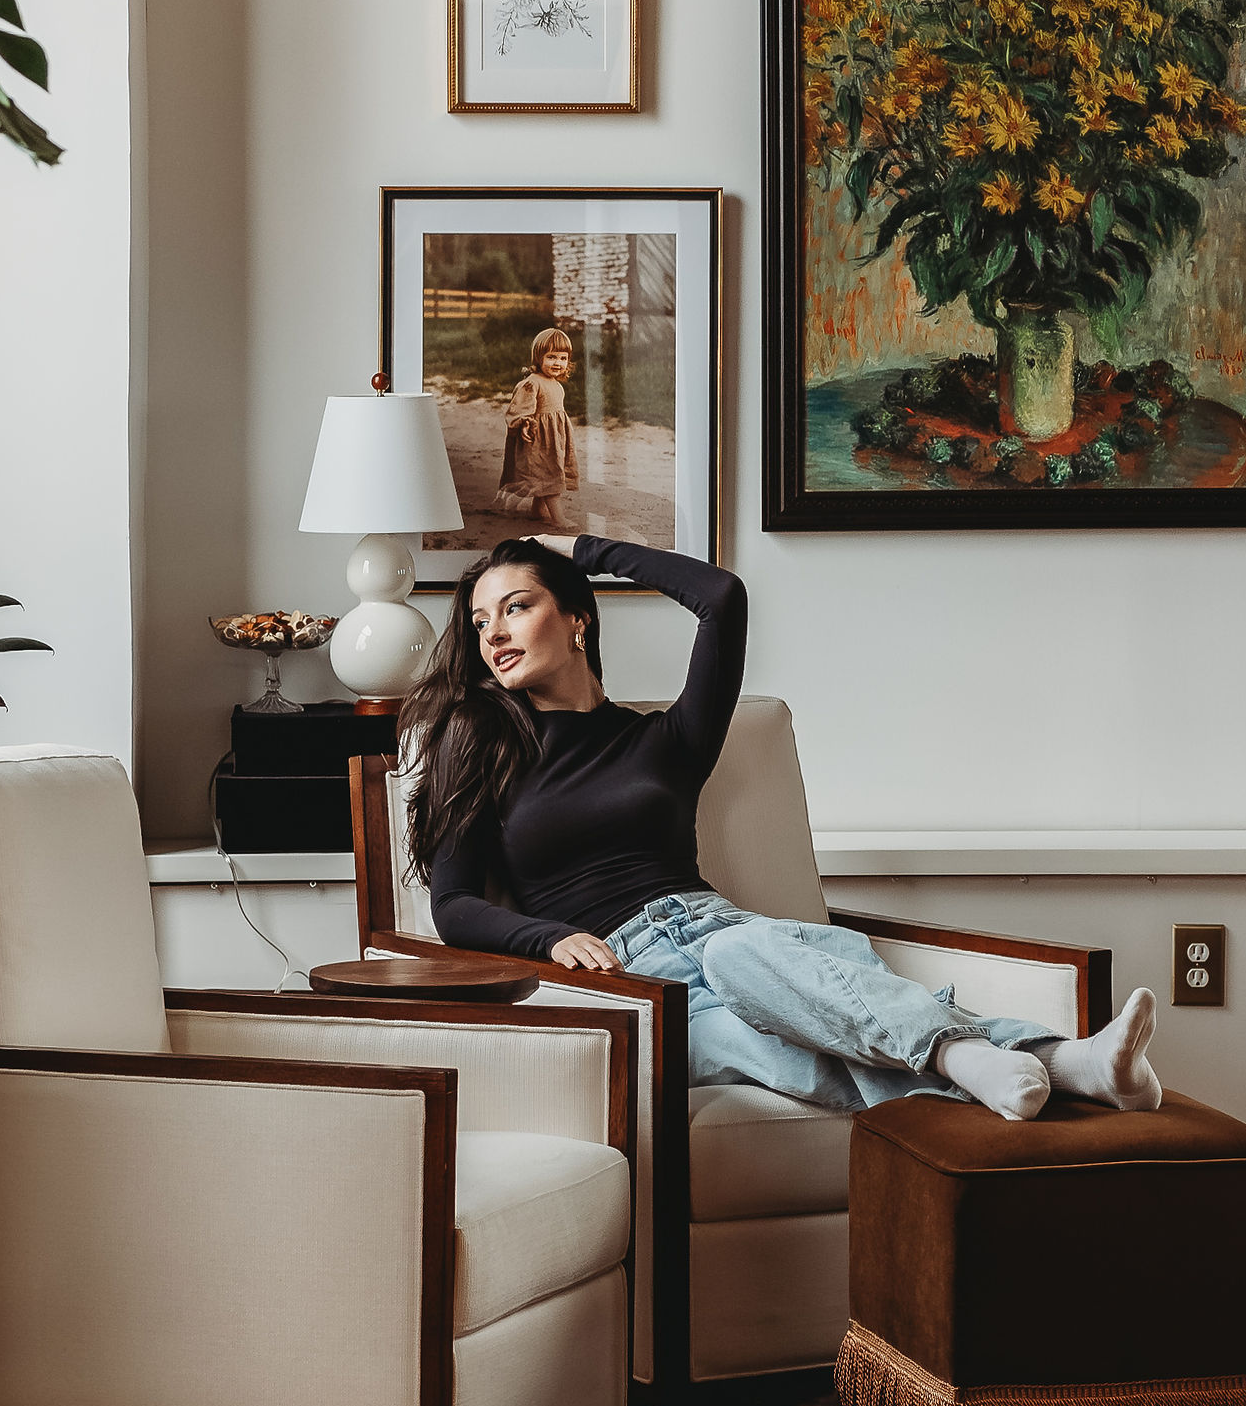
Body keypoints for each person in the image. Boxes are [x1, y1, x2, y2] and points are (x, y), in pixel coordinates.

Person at [405, 531, 1161, 1121]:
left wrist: (580, 551)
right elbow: (455, 906)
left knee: (741, 952)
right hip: (633, 981)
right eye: (478, 621)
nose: (493, 633)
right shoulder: (477, 745)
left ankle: (995, 1061)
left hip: (723, 934)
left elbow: (722, 597)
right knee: (747, 1044)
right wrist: (547, 937)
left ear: (577, 618)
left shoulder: (664, 741)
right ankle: (1053, 1064)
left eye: (516, 605)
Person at [494, 325, 579, 515]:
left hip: (555, 440)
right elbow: (519, 408)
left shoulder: (556, 385)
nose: (558, 363)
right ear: (538, 358)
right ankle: (558, 519)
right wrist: (524, 423)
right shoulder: (532, 383)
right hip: (539, 441)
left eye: (563, 358)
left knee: (548, 475)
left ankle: (537, 512)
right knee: (548, 477)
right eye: (551, 357)